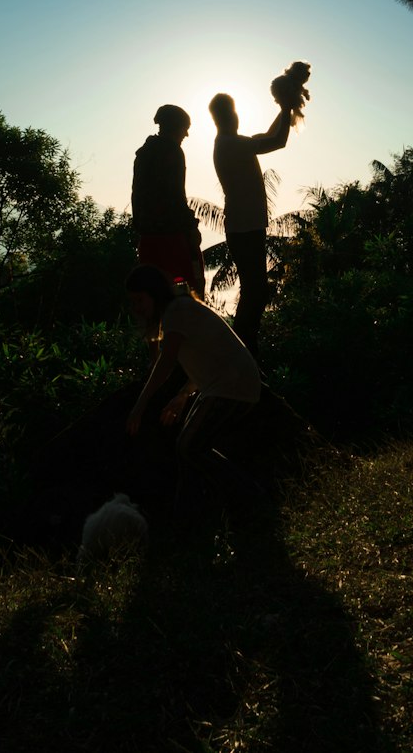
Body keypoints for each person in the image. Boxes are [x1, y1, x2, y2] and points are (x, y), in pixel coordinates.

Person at [124, 264, 261, 511]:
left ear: (154, 294)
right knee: (189, 449)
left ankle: (251, 499)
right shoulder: (179, 310)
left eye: (140, 300)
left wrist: (139, 406)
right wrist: (183, 395)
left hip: (232, 386)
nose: (137, 307)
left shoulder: (176, 310)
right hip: (228, 385)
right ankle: (198, 512)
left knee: (189, 447)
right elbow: (209, 357)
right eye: (132, 302)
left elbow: (166, 362)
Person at [207, 92, 292, 356]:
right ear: (226, 116)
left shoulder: (231, 143)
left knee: (254, 290)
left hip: (244, 227)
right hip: (245, 228)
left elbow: (268, 135)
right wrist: (287, 107)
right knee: (256, 291)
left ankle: (244, 347)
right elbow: (278, 141)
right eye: (233, 111)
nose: (236, 116)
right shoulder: (232, 144)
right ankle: (243, 348)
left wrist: (285, 107)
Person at [131, 104, 205, 297]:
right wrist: (191, 227)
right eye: (185, 128)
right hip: (172, 238)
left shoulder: (144, 154)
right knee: (187, 291)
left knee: (155, 296)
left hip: (148, 237)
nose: (186, 134)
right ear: (175, 127)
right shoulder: (172, 152)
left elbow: (137, 195)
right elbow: (175, 195)